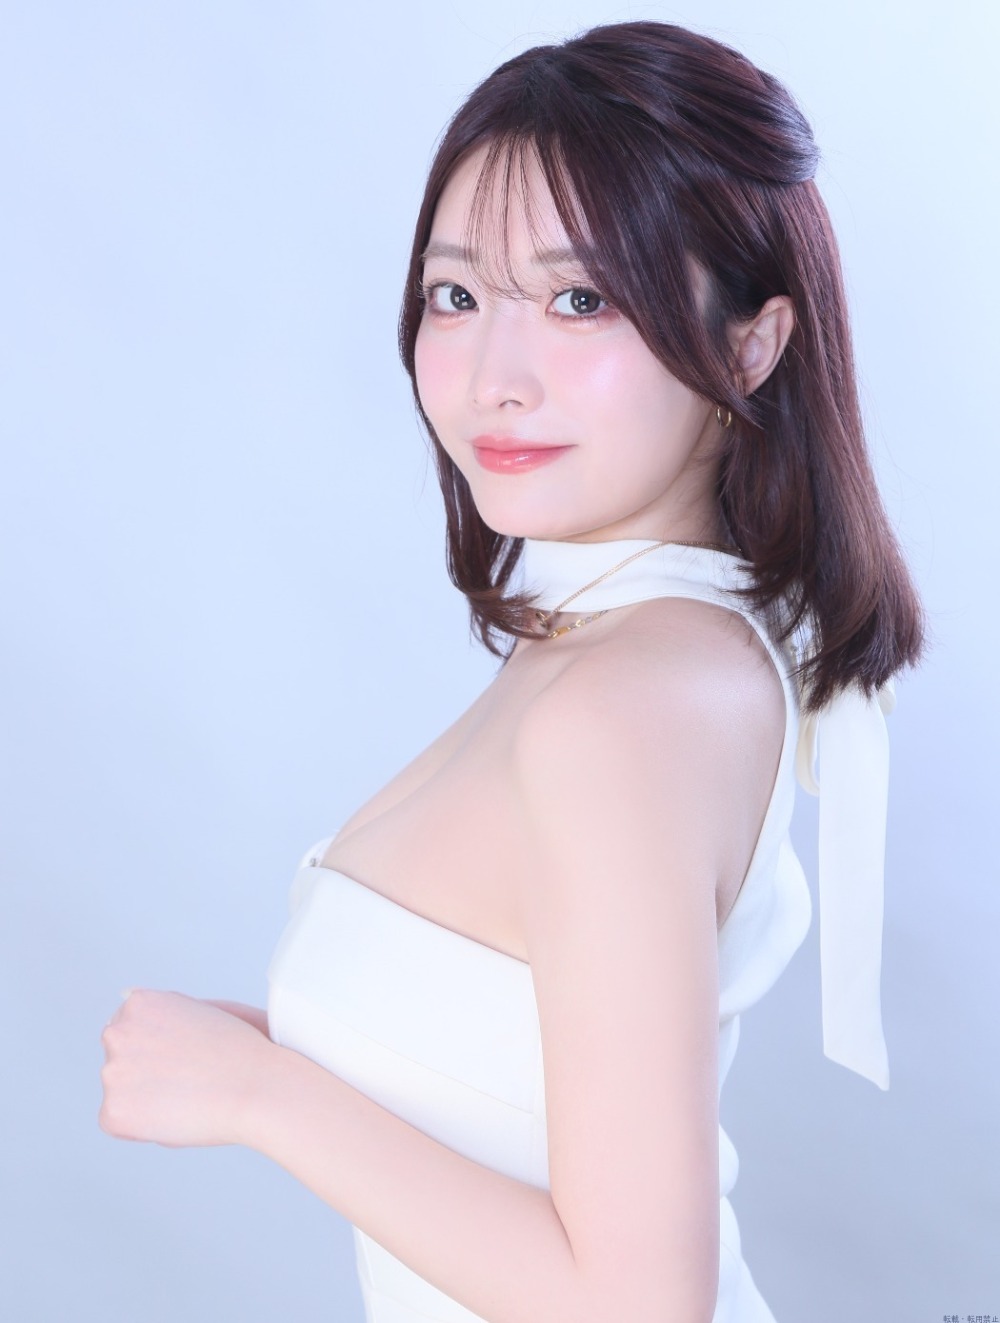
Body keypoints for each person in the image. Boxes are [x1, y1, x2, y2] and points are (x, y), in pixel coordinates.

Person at [99, 20, 924, 1323]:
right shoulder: (634, 644)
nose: (495, 376)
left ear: (752, 345)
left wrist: (260, 1096)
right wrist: (296, 1049)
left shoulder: (628, 700)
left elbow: (640, 1304)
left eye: (581, 299)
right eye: (457, 297)